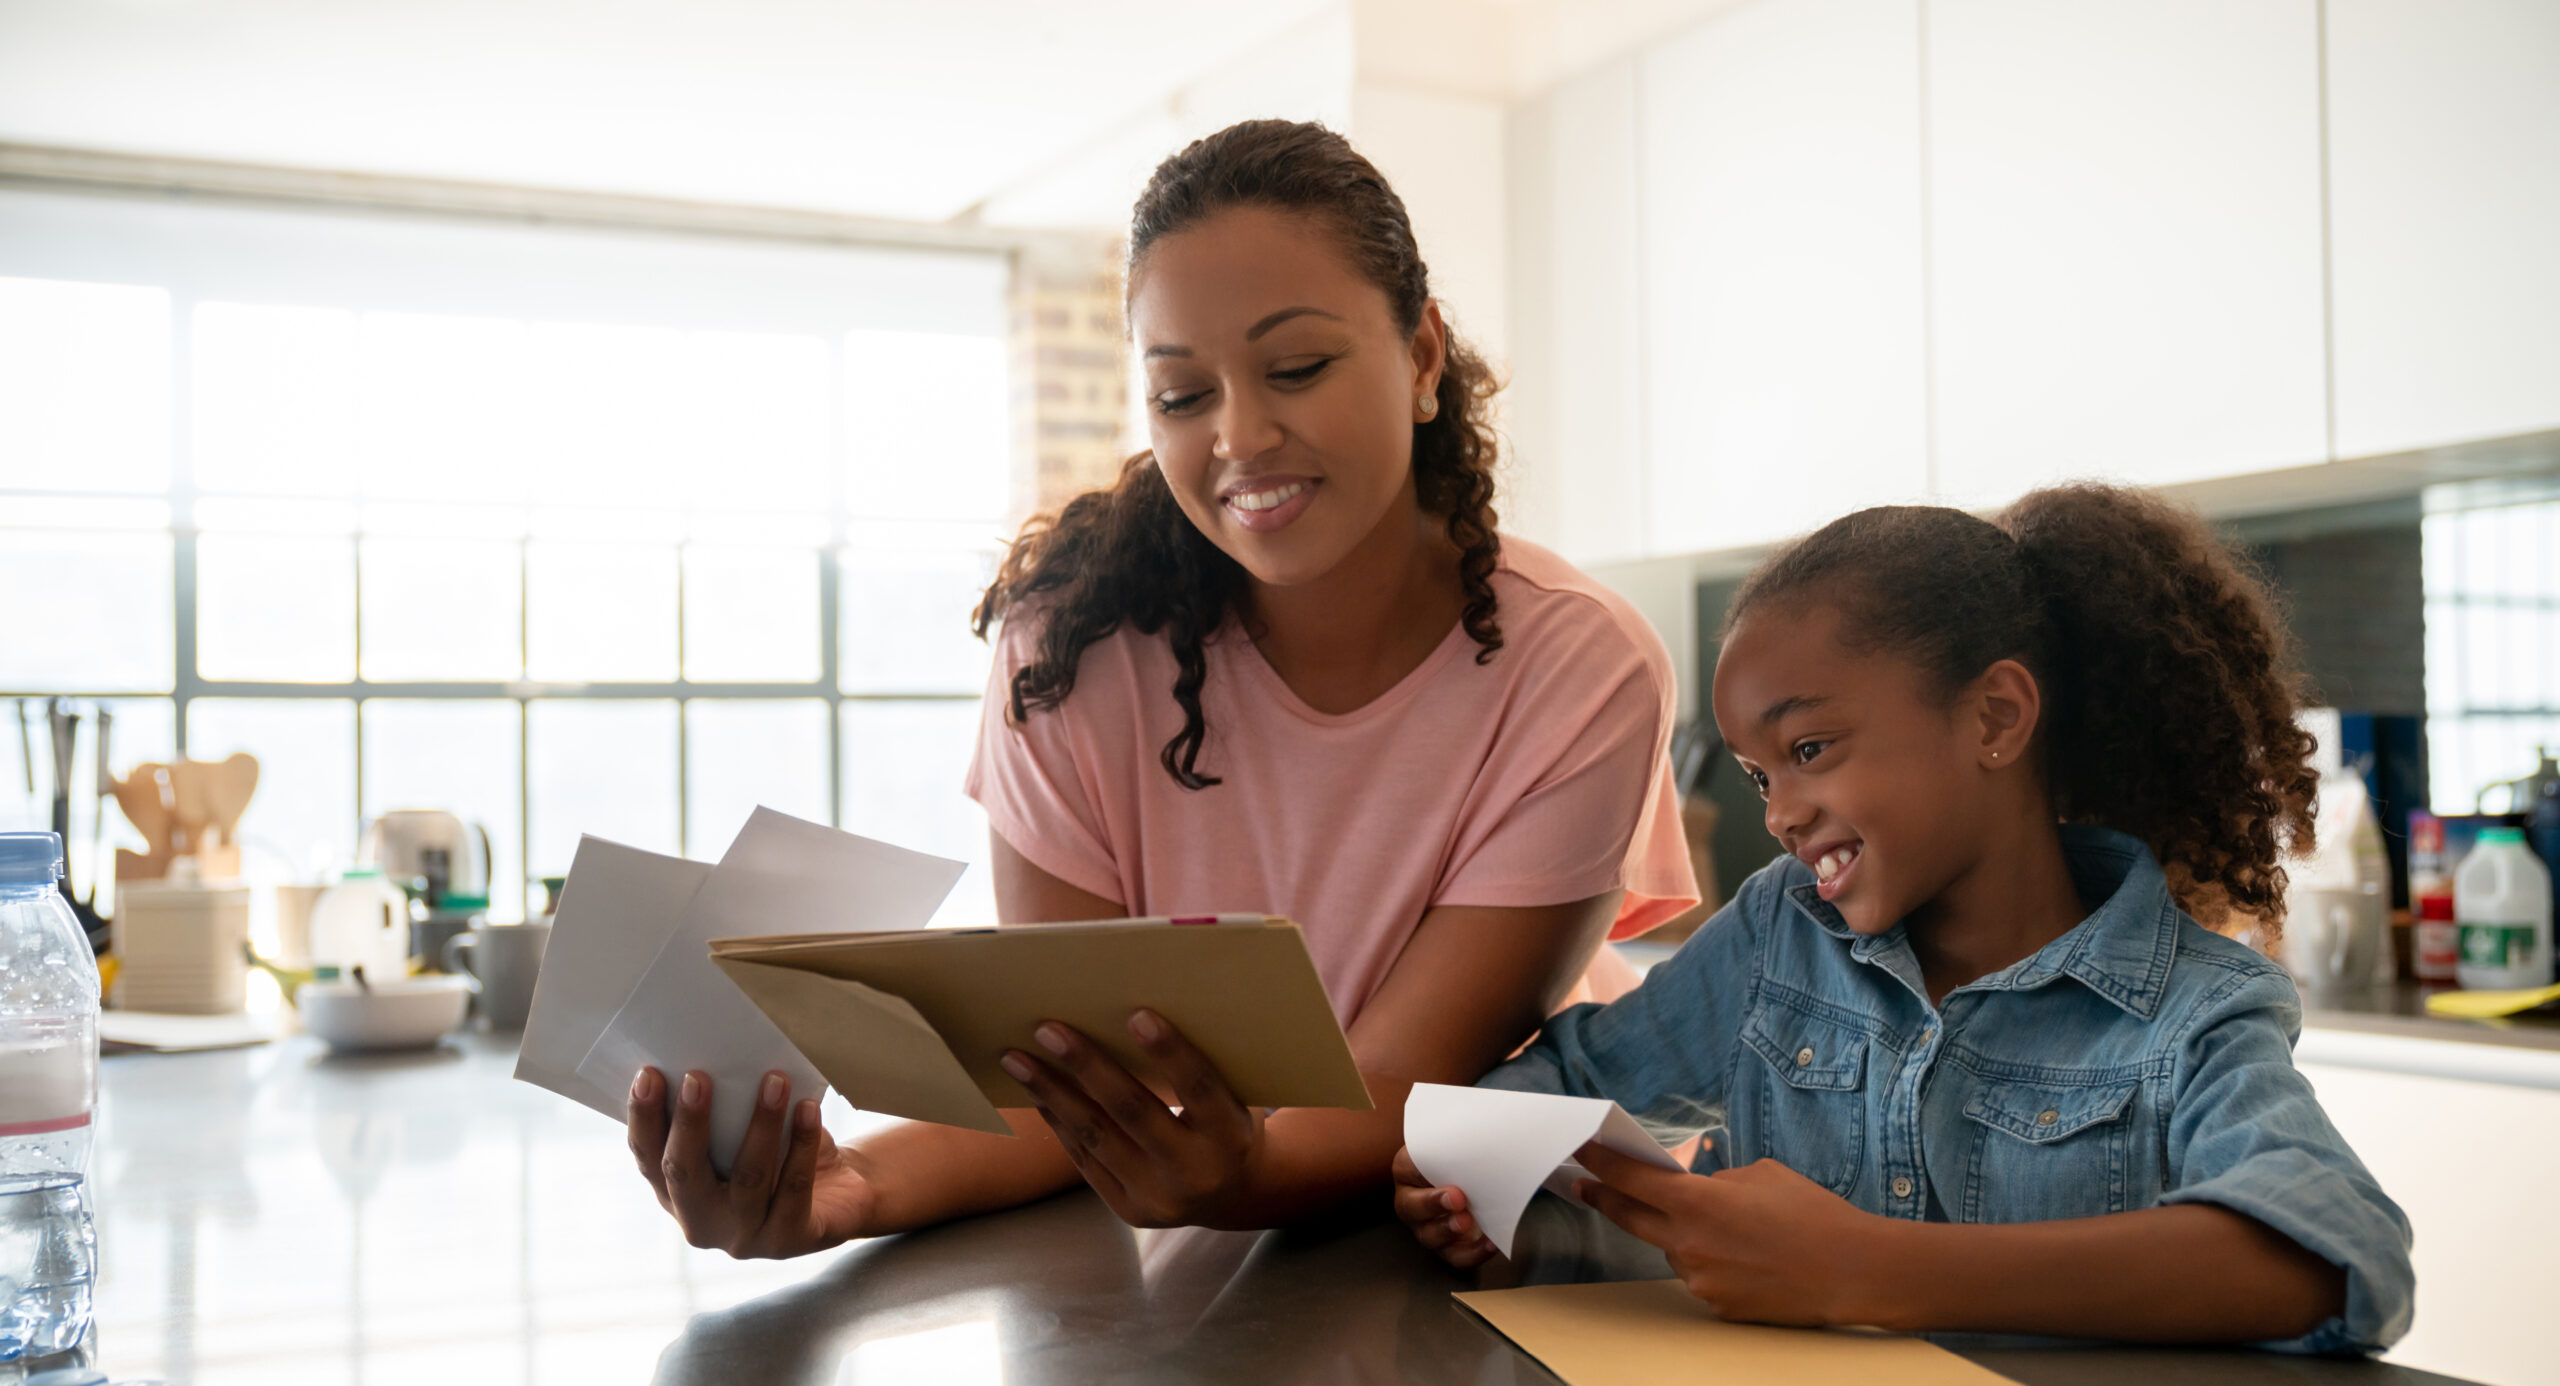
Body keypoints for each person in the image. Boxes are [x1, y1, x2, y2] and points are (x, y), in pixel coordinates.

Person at [624, 118, 1698, 1255]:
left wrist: (1228, 1177)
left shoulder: (1578, 667)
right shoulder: (1068, 655)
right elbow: (1069, 1089)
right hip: (1234, 1220)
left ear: (1424, 356)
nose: (1241, 435)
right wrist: (854, 1193)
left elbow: (1405, 1084)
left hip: (1530, 1231)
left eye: (1297, 369)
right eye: (1183, 395)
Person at [1392, 485, 2416, 1352]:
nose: (1780, 816)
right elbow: (1559, 1086)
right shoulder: (1781, 937)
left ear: (1994, 718)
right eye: (1757, 777)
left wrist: (1867, 1269)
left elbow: (2335, 1255)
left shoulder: (2188, 1010)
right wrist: (1488, 1192)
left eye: (1809, 751)